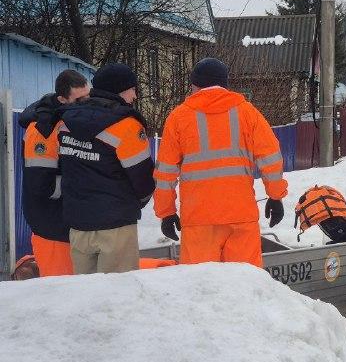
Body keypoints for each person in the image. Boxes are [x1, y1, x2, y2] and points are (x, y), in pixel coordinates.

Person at [153, 58, 287, 268]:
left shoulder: (178, 117)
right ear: (225, 84)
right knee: (245, 282)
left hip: (199, 219)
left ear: (195, 85)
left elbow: (165, 172)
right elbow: (271, 158)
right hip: (240, 215)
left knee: (203, 287)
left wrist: (166, 212)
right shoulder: (247, 113)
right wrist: (275, 196)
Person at [58, 63, 155, 274]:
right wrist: (132, 204)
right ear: (121, 90)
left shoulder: (67, 121)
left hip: (78, 225)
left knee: (86, 296)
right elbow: (143, 180)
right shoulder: (126, 125)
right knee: (118, 297)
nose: (135, 96)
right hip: (115, 226)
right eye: (133, 89)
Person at [19, 69, 89, 277]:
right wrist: (81, 184)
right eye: (79, 99)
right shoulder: (43, 130)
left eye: (88, 96)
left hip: (65, 225)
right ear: (62, 99)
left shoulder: (67, 121)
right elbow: (41, 185)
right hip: (51, 228)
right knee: (61, 296)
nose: (86, 103)